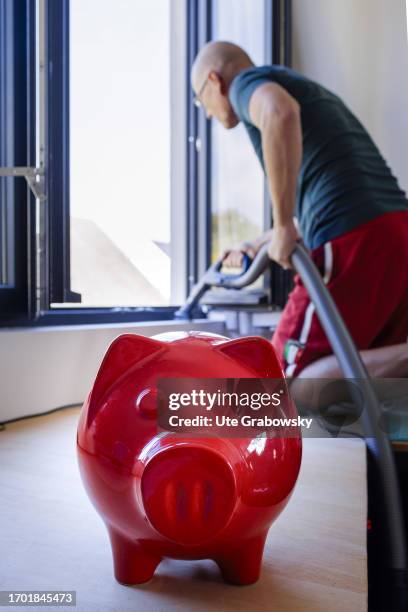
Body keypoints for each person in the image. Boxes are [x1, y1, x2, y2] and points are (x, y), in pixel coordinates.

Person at [191, 41, 408, 377]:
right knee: (369, 375)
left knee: (281, 382)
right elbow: (335, 192)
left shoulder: (245, 84)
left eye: (200, 99)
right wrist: (262, 241)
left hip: (354, 236)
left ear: (214, 81)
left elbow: (279, 113)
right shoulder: (305, 89)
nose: (205, 112)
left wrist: (282, 227)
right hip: (394, 231)